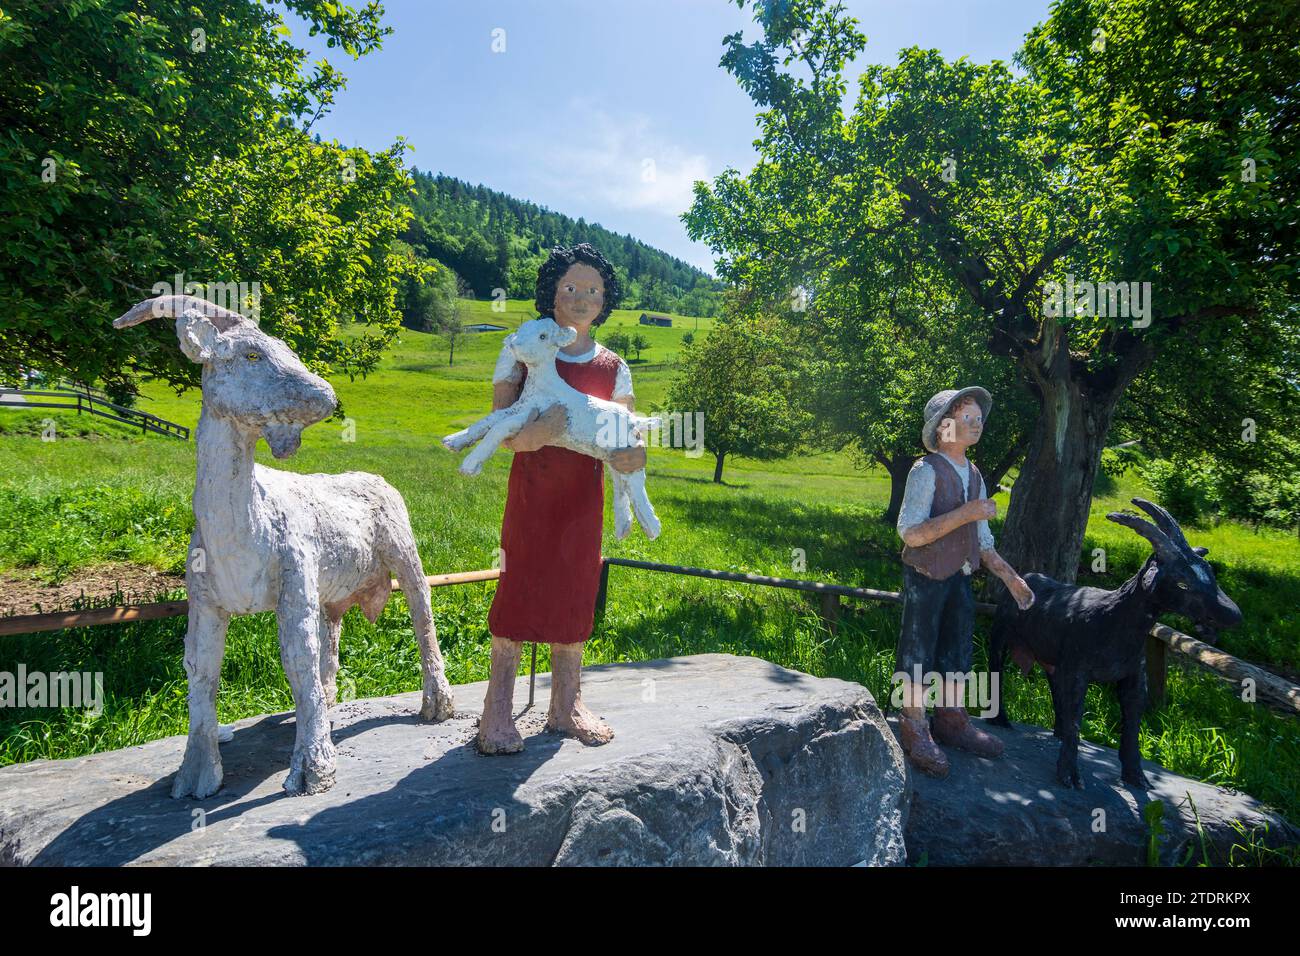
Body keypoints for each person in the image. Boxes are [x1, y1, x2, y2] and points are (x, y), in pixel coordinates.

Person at [476, 243, 646, 755]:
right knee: (520, 581)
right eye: (571, 287)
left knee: (576, 585)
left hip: (582, 499)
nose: (581, 297)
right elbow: (500, 428)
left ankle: (566, 703)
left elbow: (626, 432)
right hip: (531, 494)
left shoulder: (613, 366)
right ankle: (497, 708)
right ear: (550, 291)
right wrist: (534, 436)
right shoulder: (520, 350)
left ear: (605, 301)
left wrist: (634, 458)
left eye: (592, 290)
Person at [894, 387, 1035, 778]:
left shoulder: (974, 476)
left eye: (978, 419)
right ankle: (914, 724)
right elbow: (910, 533)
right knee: (917, 652)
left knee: (957, 649)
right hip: (926, 578)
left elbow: (984, 541)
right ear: (942, 428)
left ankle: (952, 720)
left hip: (961, 576)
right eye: (966, 418)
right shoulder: (925, 472)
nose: (976, 425)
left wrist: (1012, 580)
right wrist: (965, 513)